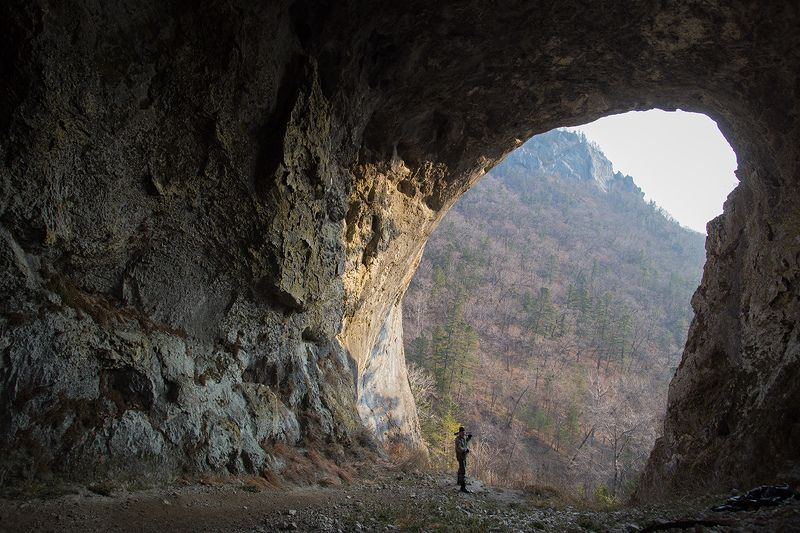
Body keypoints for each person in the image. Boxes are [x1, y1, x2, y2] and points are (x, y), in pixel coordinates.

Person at [454, 426, 473, 493]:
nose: (463, 434)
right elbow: (459, 448)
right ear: (459, 433)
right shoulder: (457, 440)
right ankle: (463, 487)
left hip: (464, 456)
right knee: (463, 471)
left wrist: (469, 438)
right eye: (462, 433)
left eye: (464, 433)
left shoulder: (463, 438)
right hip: (460, 457)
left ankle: (459, 481)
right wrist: (465, 450)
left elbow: (465, 442)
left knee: (461, 468)